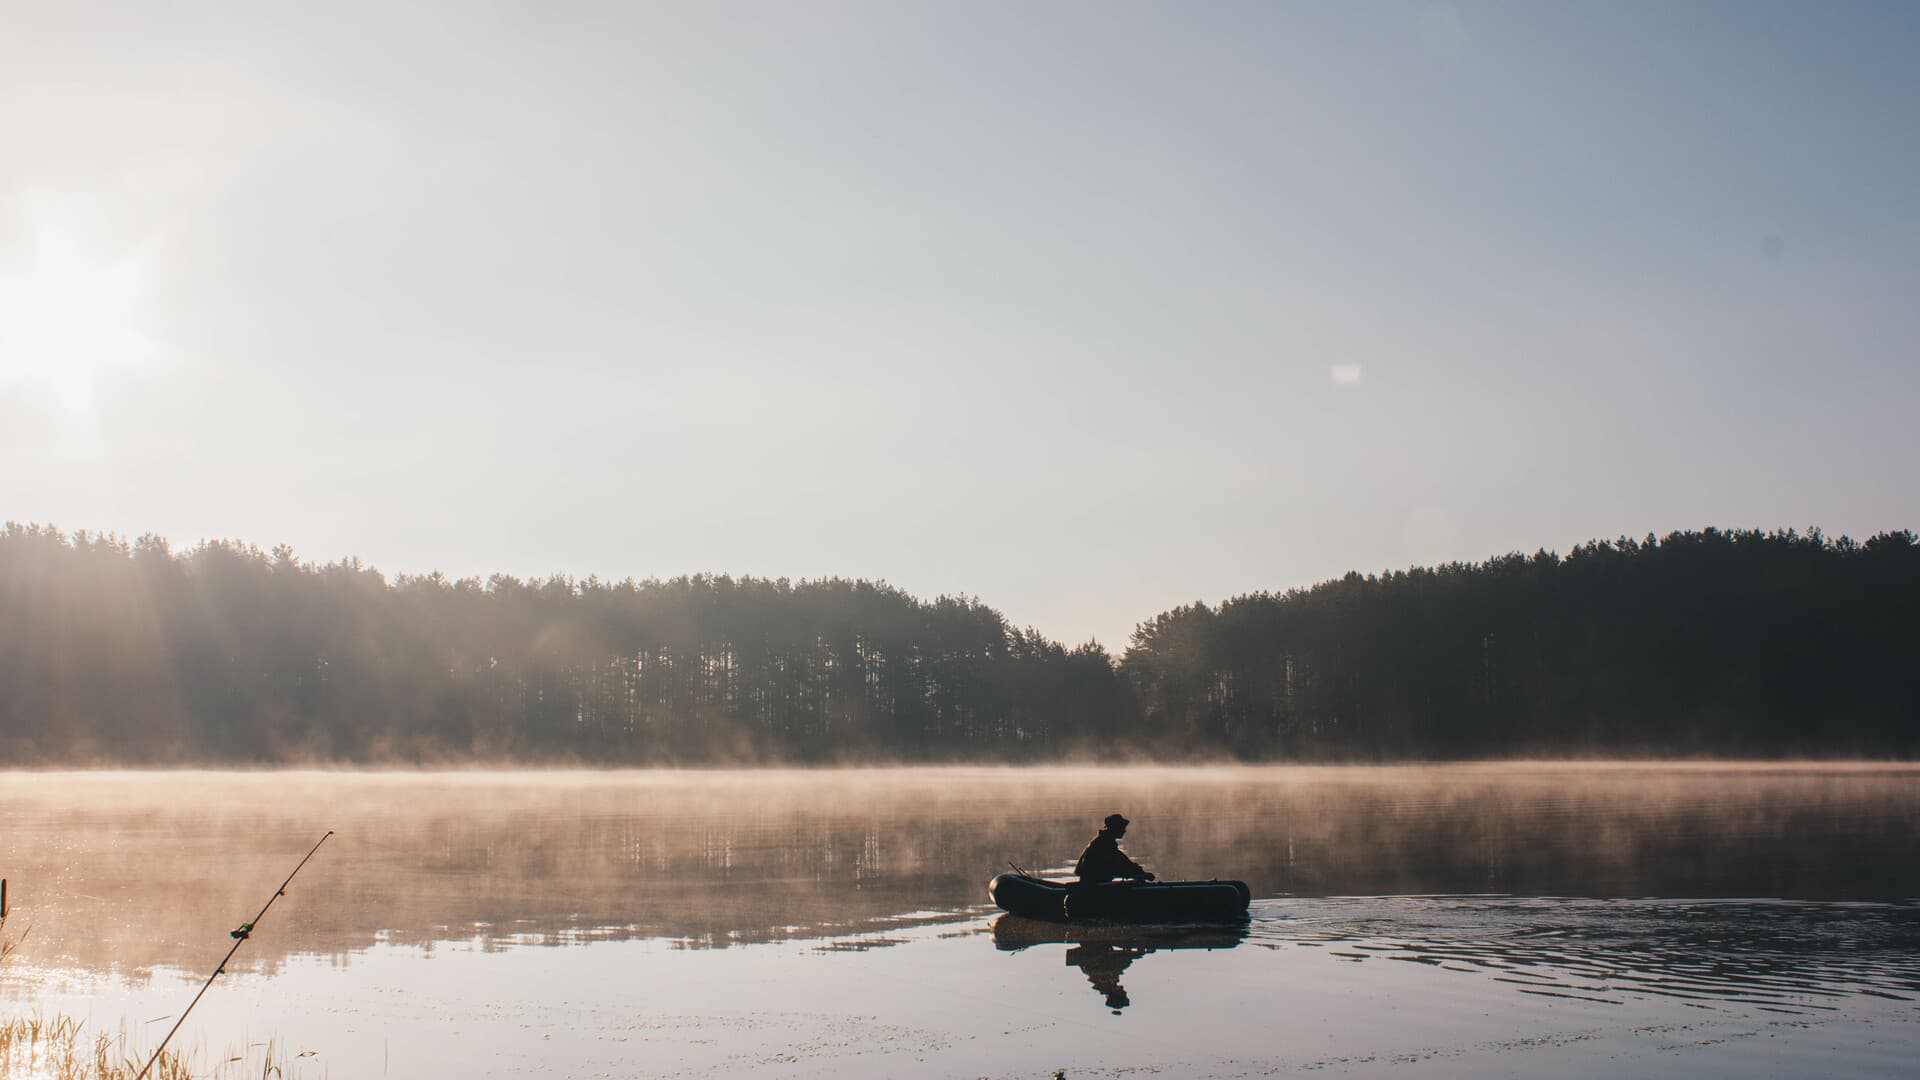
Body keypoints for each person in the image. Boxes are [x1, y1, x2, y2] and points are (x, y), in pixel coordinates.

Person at [1074, 813, 1155, 884]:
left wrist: (1138, 873)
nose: (1124, 831)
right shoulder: (1104, 843)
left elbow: (1122, 861)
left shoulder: (1104, 841)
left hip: (1095, 881)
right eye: (1122, 828)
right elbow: (1119, 863)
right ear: (1115, 828)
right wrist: (1139, 874)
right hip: (1093, 884)